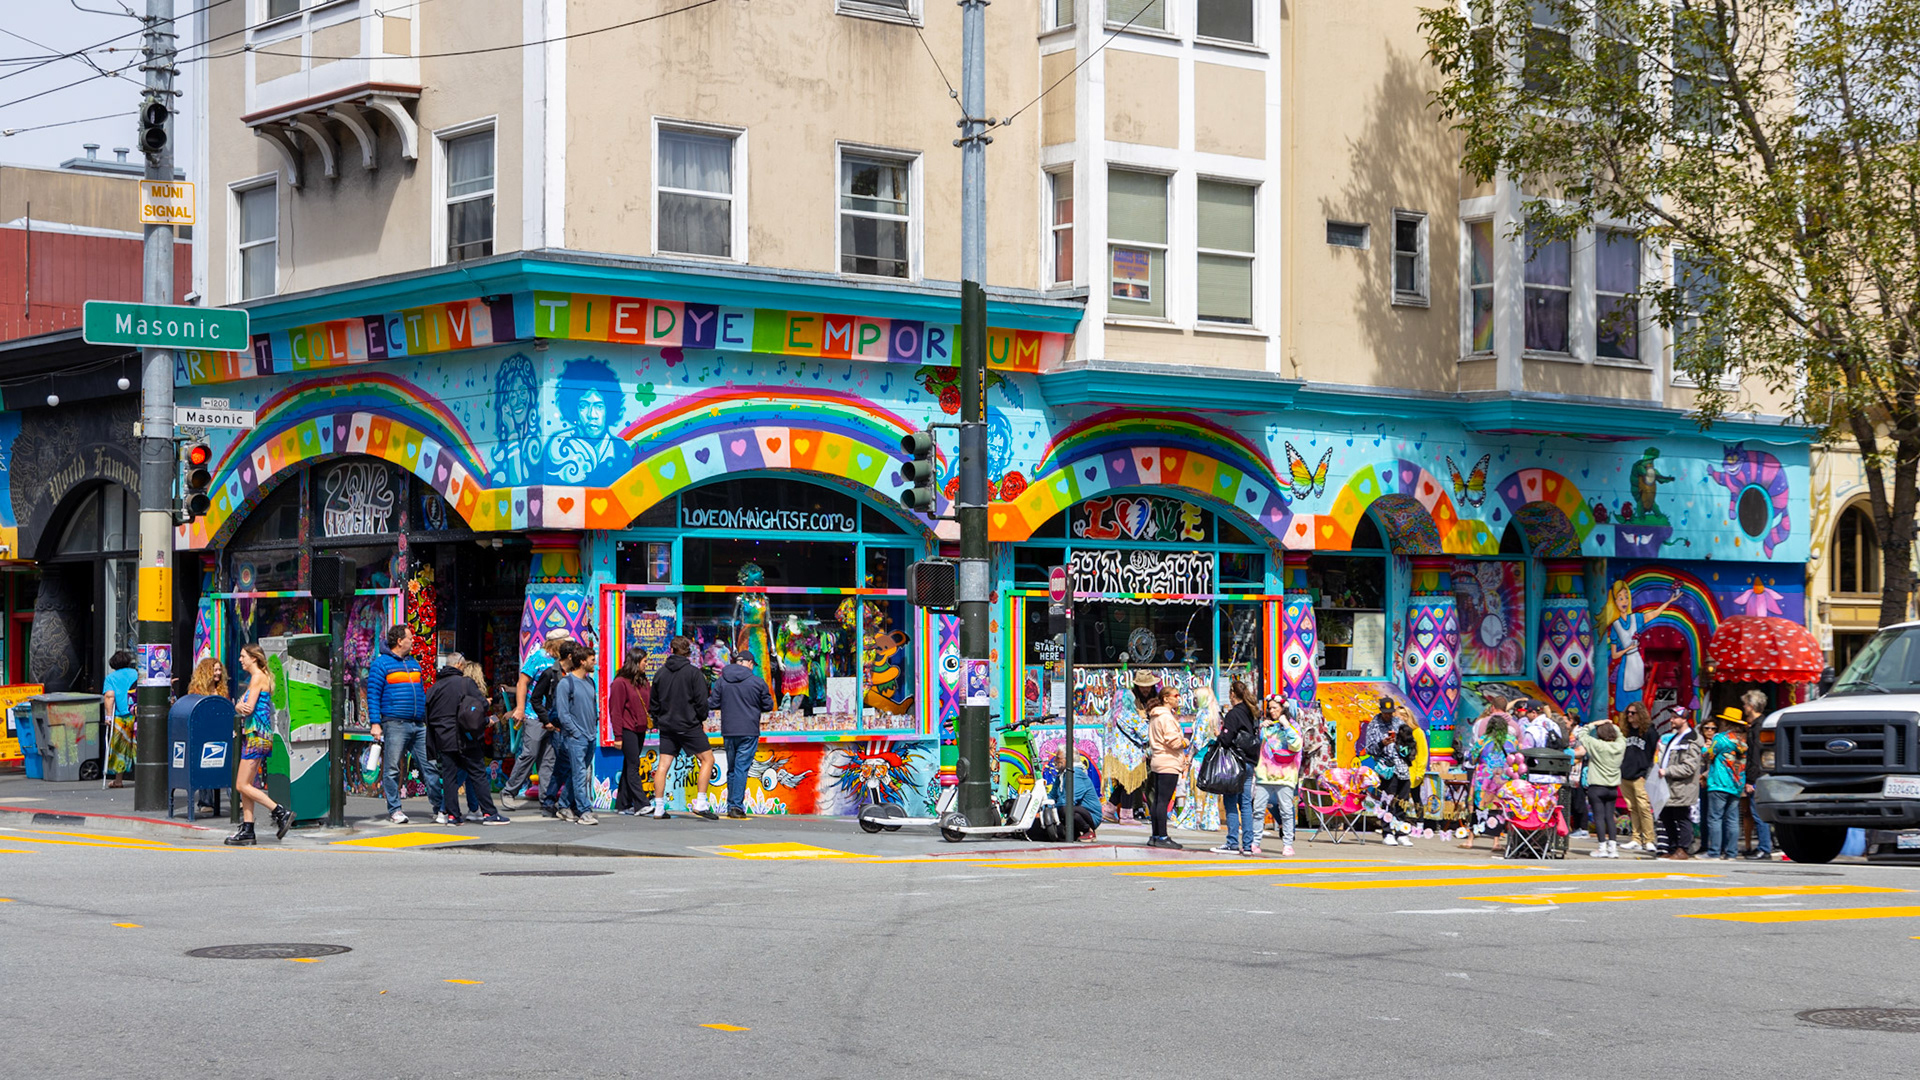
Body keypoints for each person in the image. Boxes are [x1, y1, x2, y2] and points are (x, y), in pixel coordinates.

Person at [423, 652, 509, 826]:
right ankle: (489, 814)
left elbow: (428, 714)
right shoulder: (465, 683)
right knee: (477, 774)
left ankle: (453, 816)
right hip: (465, 736)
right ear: (460, 665)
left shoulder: (435, 687)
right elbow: (482, 705)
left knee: (449, 777)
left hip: (443, 738)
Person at [368, 625, 438, 825]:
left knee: (430, 766)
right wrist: (375, 724)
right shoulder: (381, 665)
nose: (412, 640)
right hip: (395, 723)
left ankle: (438, 807)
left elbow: (421, 693)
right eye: (410, 637)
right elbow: (372, 695)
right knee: (392, 769)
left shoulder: (414, 664)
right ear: (399, 641)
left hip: (418, 724)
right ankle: (395, 810)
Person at [225, 644, 291, 846]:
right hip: (257, 735)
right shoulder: (260, 677)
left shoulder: (257, 678)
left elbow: (246, 707)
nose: (240, 659)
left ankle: (280, 812)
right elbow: (241, 705)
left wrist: (238, 705)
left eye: (243, 656)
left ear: (254, 658)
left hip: (257, 735)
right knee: (247, 785)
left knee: (240, 784)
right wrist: (239, 704)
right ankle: (248, 828)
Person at [649, 636, 718, 821]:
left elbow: (653, 703)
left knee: (663, 765)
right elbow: (701, 702)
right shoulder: (694, 673)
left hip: (667, 725)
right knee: (707, 759)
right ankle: (700, 802)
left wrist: (657, 720)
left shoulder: (660, 673)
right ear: (688, 652)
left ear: (671, 650)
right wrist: (700, 718)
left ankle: (659, 807)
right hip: (689, 724)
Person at [502, 629, 571, 810]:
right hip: (534, 714)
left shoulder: (559, 662)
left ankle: (546, 799)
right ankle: (509, 791)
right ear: (556, 644)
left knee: (548, 759)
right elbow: (522, 682)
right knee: (529, 753)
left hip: (552, 716)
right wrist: (520, 708)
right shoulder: (538, 657)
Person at [710, 647, 775, 819]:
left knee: (732, 769)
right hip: (749, 730)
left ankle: (732, 804)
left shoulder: (722, 681)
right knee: (741, 769)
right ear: (748, 663)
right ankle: (736, 806)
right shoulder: (757, 682)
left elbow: (713, 702)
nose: (753, 667)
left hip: (729, 730)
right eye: (752, 664)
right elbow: (768, 705)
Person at [552, 642, 601, 825]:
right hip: (576, 738)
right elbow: (563, 714)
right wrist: (575, 733)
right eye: (592, 660)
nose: (594, 663)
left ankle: (564, 804)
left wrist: (592, 731)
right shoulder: (566, 683)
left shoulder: (590, 682)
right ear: (582, 661)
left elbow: (592, 707)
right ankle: (584, 811)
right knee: (580, 774)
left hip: (589, 736)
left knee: (578, 773)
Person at [1213, 679, 1261, 856]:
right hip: (1248, 763)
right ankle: (1248, 845)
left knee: (1231, 802)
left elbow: (1226, 740)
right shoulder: (1251, 713)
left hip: (1234, 764)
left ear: (1232, 694)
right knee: (1246, 804)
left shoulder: (1233, 714)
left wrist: (1219, 735)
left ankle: (1232, 842)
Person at [1460, 711, 1519, 852]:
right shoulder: (1512, 740)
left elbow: (1472, 758)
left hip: (1483, 778)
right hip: (1502, 778)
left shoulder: (1483, 740)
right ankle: (1496, 842)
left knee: (1478, 807)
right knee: (1498, 809)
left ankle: (1470, 840)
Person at [1143, 675, 1189, 849]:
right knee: (1163, 800)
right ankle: (1162, 836)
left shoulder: (1155, 716)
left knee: (1157, 800)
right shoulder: (1166, 717)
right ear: (1166, 698)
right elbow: (1173, 741)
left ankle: (1155, 835)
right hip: (1168, 761)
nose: (1178, 699)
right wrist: (1184, 741)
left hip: (1158, 760)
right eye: (1175, 696)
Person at [1254, 696, 1303, 857]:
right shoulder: (1268, 726)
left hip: (1285, 775)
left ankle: (1288, 844)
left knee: (1287, 811)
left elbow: (1296, 745)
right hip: (1265, 774)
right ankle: (1255, 842)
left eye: (1275, 708)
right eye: (1270, 708)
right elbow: (1259, 744)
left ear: (1283, 709)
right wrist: (1261, 728)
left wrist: (1286, 725)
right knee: (1258, 810)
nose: (1272, 711)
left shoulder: (1293, 726)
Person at [1654, 708, 1703, 860]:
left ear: (1684, 719)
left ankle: (1683, 849)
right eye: (1671, 717)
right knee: (1666, 815)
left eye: (1675, 718)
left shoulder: (1691, 739)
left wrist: (1667, 771)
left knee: (1682, 817)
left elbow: (1689, 767)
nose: (1671, 720)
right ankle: (1673, 847)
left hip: (1682, 787)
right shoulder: (1676, 737)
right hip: (1669, 786)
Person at [609, 647, 652, 815]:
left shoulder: (642, 681)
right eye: (644, 662)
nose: (646, 665)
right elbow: (616, 710)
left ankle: (622, 803)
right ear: (635, 662)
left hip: (640, 728)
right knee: (634, 765)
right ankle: (641, 803)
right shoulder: (620, 682)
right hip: (627, 729)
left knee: (629, 764)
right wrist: (617, 735)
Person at [1574, 720, 1626, 858]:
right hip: (1613, 787)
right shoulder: (1620, 745)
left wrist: (1597, 723)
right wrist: (1612, 725)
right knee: (1610, 817)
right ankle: (1613, 848)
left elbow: (1581, 733)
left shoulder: (1596, 744)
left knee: (1599, 817)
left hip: (1597, 786)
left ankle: (1602, 847)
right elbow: (1620, 735)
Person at [1703, 706, 1749, 860]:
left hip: (1719, 782)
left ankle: (1714, 852)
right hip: (1736, 784)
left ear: (1725, 722)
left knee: (1715, 818)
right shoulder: (1742, 742)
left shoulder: (1720, 738)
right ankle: (1731, 853)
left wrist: (1705, 747)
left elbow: (1708, 755)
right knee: (1733, 819)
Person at [1740, 689, 1775, 860]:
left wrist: (1751, 780)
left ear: (1752, 706)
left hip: (1758, 776)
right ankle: (1762, 846)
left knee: (1758, 813)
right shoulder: (1760, 724)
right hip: (1760, 774)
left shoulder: (1758, 727)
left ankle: (1764, 848)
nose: (1744, 708)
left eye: (1746, 704)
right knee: (1757, 812)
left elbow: (1755, 755)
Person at [1047, 747, 1102, 841]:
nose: (1055, 760)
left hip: (1089, 814)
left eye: (1058, 758)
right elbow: (1052, 795)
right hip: (1073, 809)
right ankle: (1074, 833)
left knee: (1065, 809)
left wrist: (1051, 811)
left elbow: (1068, 800)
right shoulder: (1061, 774)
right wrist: (1043, 808)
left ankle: (1088, 831)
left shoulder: (1075, 774)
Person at [102, 650, 138, 788]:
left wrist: (108, 716)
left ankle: (118, 780)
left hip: (120, 718)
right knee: (138, 746)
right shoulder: (136, 674)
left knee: (119, 749)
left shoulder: (111, 678)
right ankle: (143, 778)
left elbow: (110, 696)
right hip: (135, 715)